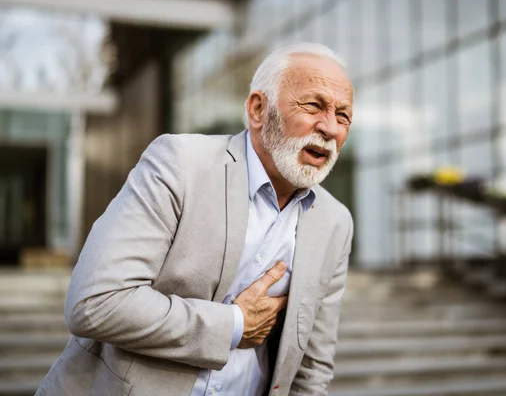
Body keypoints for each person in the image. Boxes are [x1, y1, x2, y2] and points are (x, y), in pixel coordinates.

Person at [36, 43, 354, 396]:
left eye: (343, 116)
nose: (329, 127)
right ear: (258, 109)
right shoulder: (180, 164)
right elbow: (95, 303)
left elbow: (312, 368)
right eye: (313, 105)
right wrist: (234, 324)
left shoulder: (335, 222)